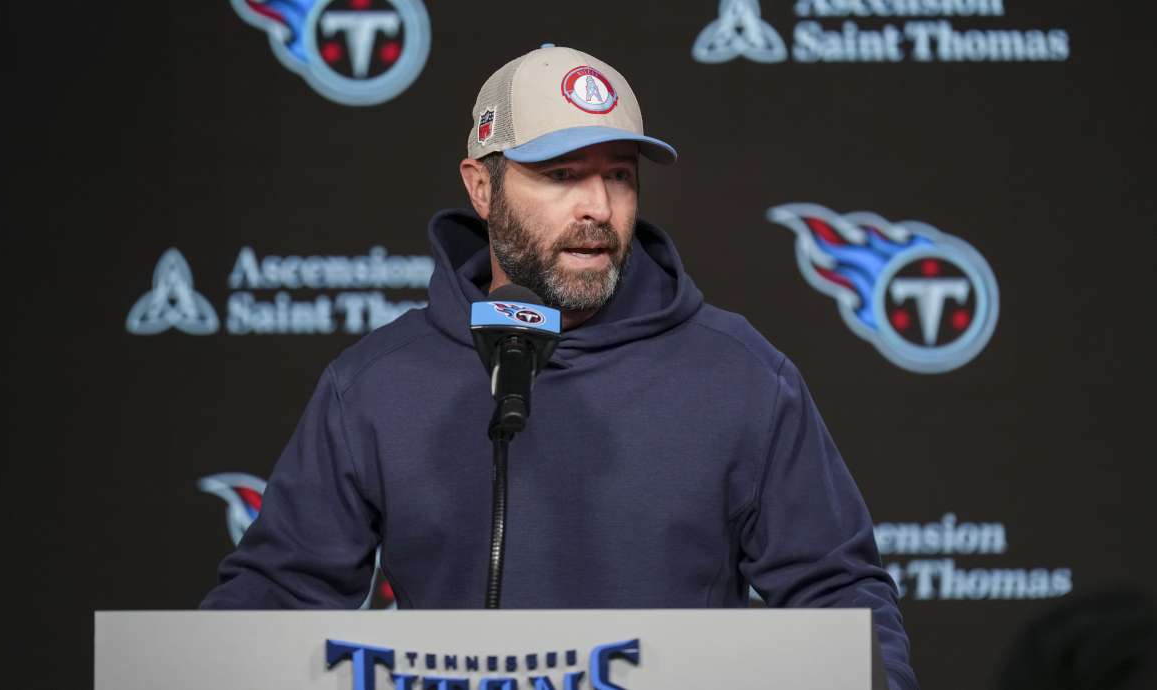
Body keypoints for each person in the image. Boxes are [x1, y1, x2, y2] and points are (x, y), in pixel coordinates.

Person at [201, 45, 918, 689]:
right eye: (561, 174)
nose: (598, 207)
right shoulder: (376, 385)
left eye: (619, 176)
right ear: (481, 188)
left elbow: (839, 599)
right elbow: (275, 601)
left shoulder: (742, 377)